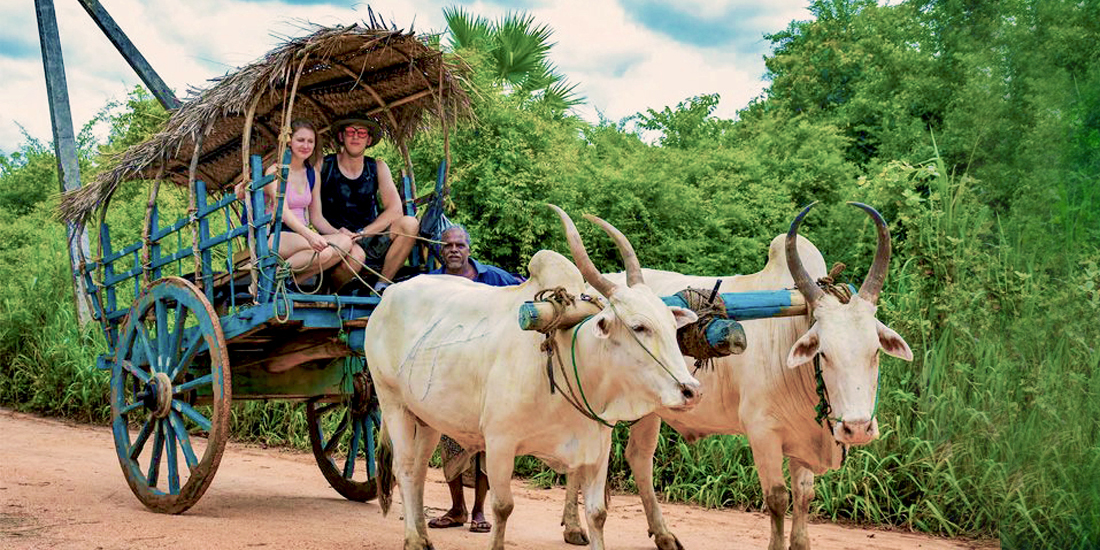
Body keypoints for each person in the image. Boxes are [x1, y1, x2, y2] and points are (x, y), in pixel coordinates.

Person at [427, 225, 521, 534]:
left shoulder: (492, 278)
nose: (454, 249)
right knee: (450, 439)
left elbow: (522, 289)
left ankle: (480, 511)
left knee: (486, 445)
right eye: (448, 245)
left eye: (459, 245)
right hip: (451, 373)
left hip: (489, 373)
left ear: (469, 249)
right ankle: (457, 509)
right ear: (441, 251)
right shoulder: (434, 284)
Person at [235, 119, 353, 286]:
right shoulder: (275, 171)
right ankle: (271, 277)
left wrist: (339, 232)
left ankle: (291, 282)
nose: (306, 145)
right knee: (324, 253)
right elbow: (283, 211)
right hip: (275, 233)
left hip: (300, 235)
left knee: (344, 243)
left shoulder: (313, 174)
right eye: (300, 140)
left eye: (310, 141)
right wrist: (310, 235)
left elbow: (317, 217)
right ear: (289, 143)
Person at [311, 115, 419, 294]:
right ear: (341, 137)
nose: (355, 136)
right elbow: (316, 217)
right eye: (351, 132)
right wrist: (339, 234)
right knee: (356, 256)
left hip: (370, 236)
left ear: (368, 139)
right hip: (336, 239)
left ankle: (382, 286)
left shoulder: (377, 167)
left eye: (361, 133)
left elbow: (395, 210)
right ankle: (333, 293)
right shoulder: (323, 165)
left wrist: (364, 233)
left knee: (410, 224)